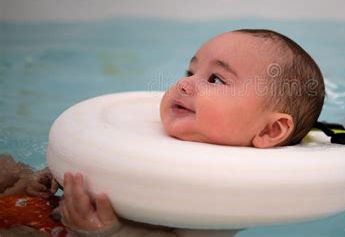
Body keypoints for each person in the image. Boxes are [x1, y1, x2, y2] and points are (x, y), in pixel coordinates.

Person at [57, 29, 326, 236]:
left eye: (215, 80)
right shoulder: (132, 140)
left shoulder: (225, 197)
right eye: (191, 71)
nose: (185, 83)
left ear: (269, 130)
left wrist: (111, 232)